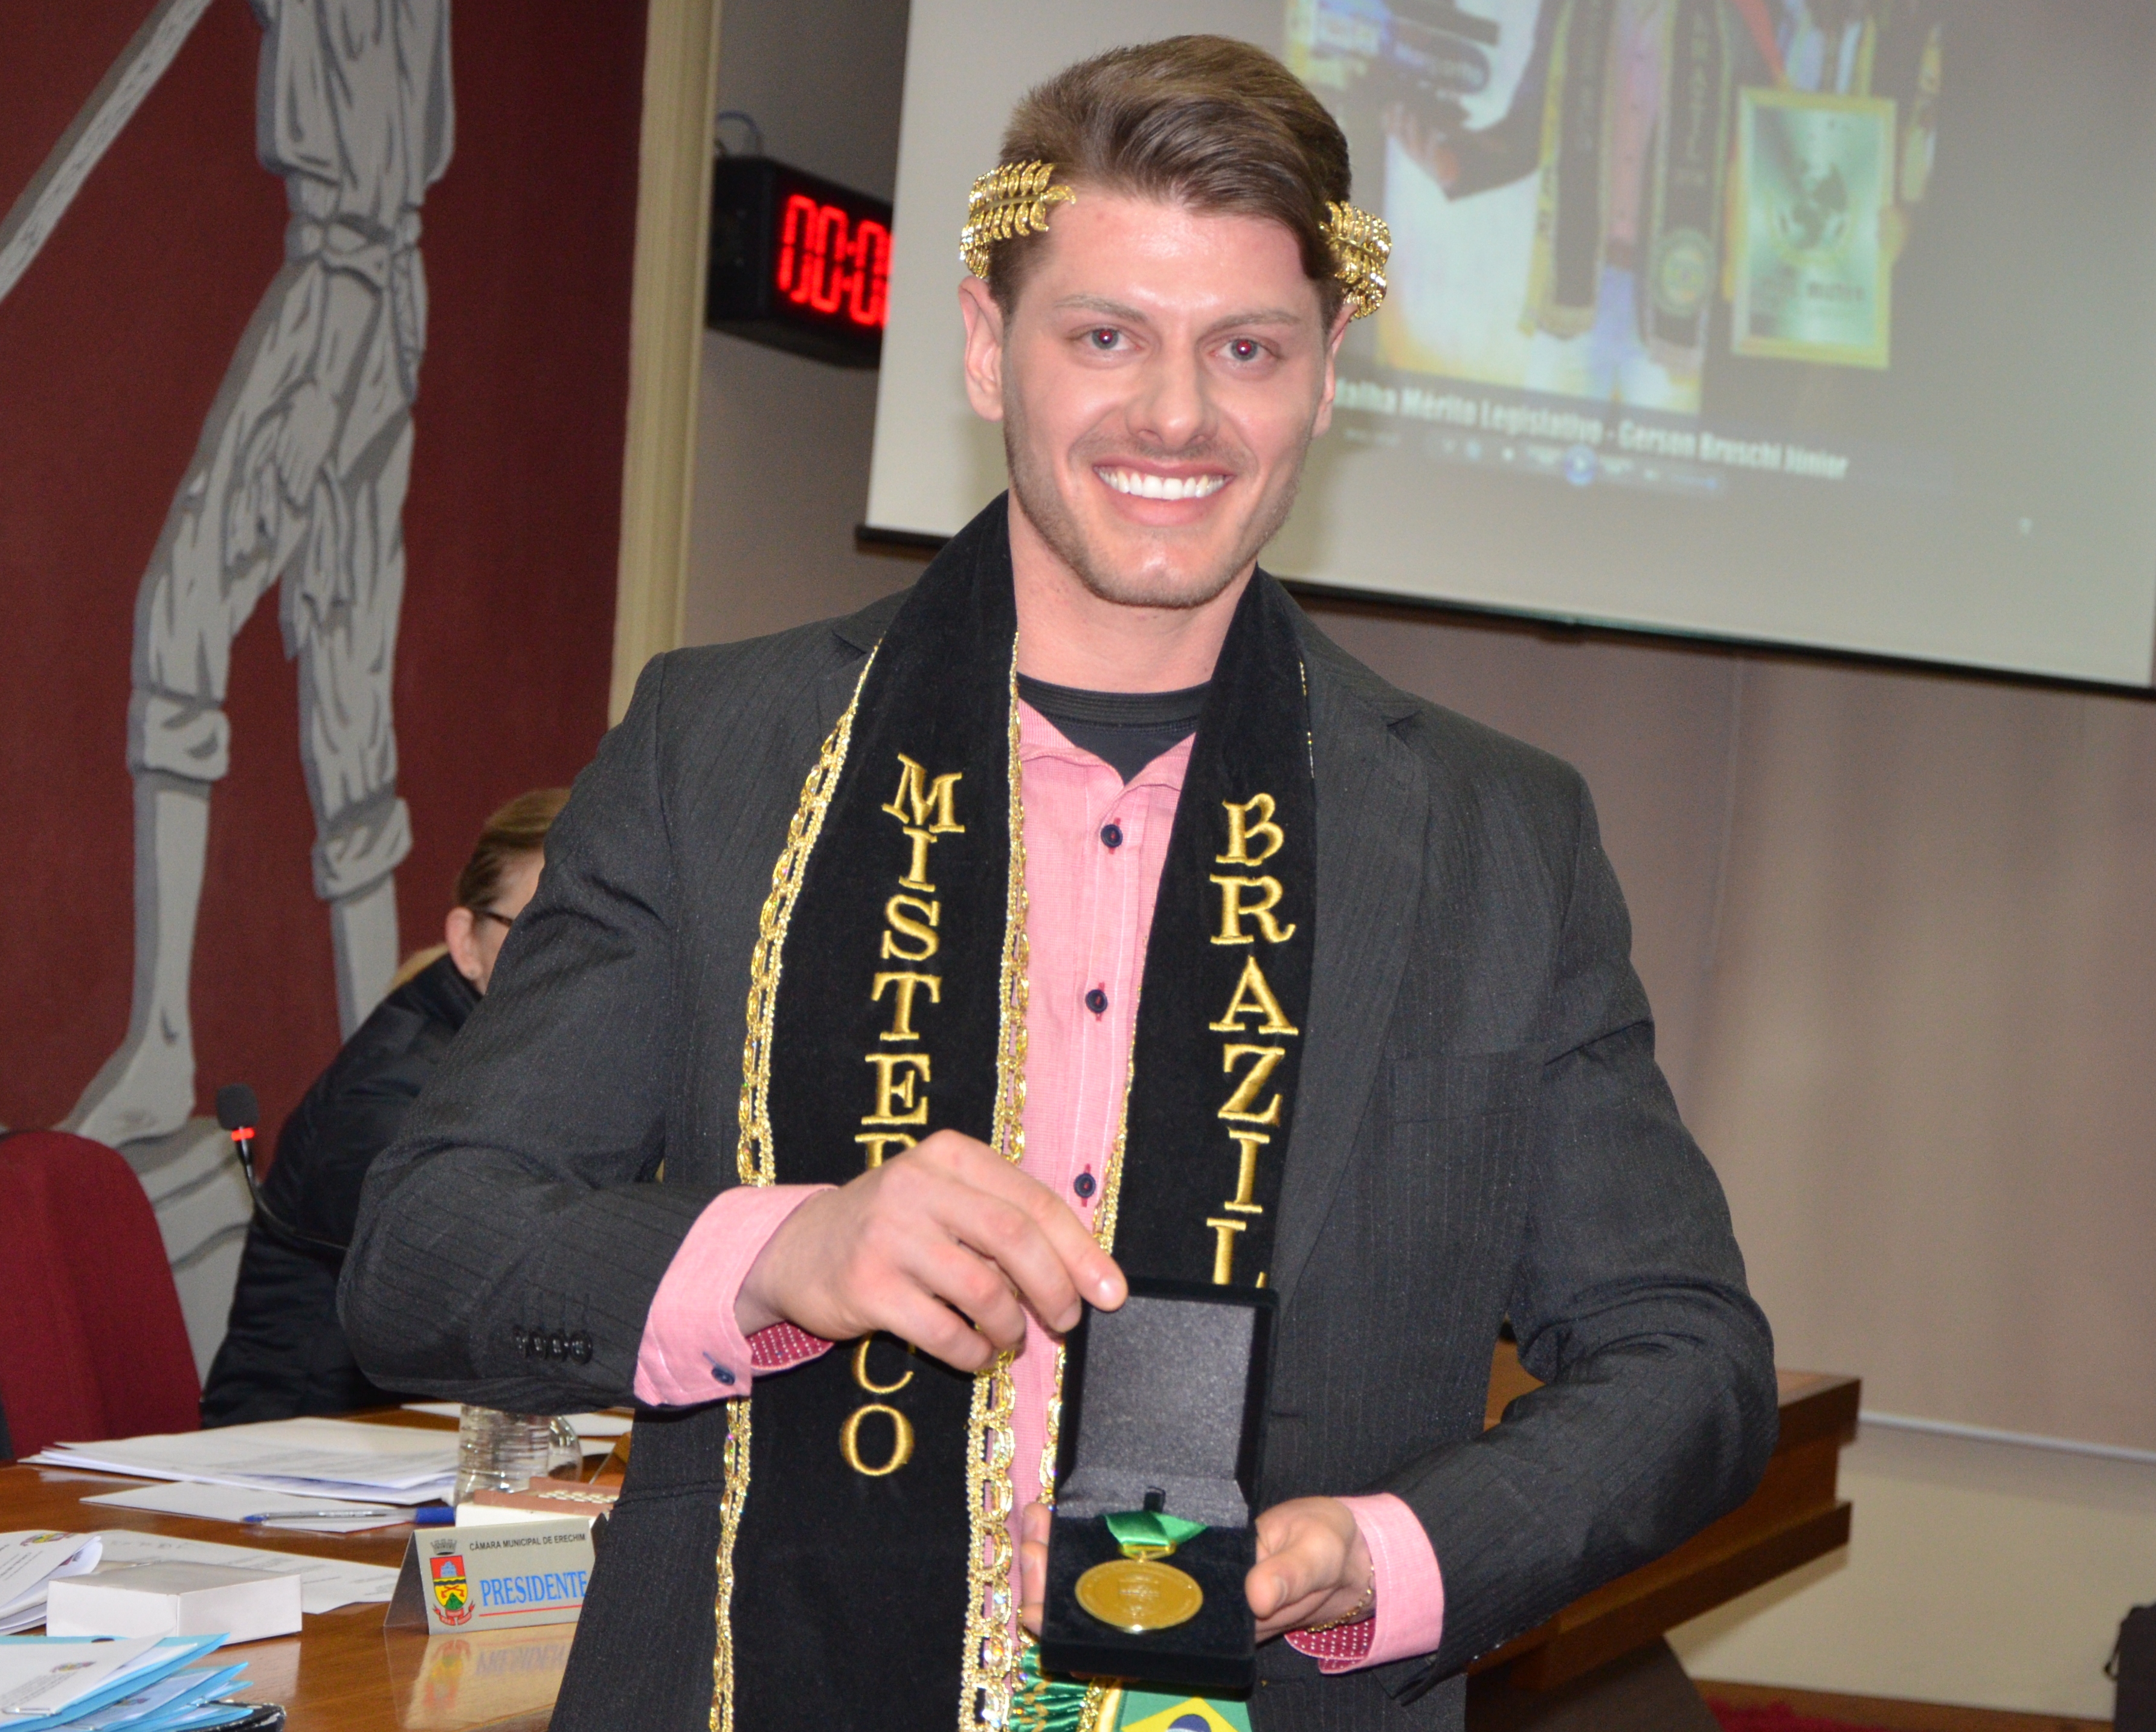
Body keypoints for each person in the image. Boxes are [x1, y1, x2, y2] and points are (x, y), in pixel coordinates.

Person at [340, 36, 1776, 1732]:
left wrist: (1378, 1552)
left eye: (1247, 347)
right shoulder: (715, 749)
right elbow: (422, 1252)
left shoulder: (1490, 835)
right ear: (983, 345)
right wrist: (784, 1248)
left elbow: (1686, 1359)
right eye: (1105, 336)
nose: (1175, 413)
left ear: (1326, 377)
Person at [66, 0, 454, 1147]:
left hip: (344, 285)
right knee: (343, 687)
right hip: (373, 294)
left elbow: (377, 122)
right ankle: (378, 1092)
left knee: (187, 616)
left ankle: (168, 1045)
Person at [200, 789, 565, 1427]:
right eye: (540, 930)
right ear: (467, 941)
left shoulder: (536, 1061)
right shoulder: (389, 1094)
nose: (570, 960)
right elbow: (480, 1278)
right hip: (298, 1444)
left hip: (437, 1430)